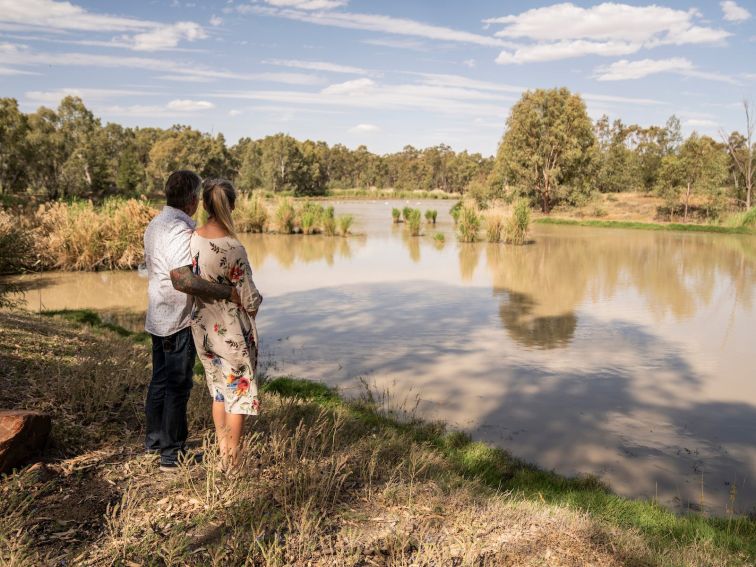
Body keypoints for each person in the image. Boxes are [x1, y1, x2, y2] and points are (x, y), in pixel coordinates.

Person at [143, 170, 240, 472]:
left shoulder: (158, 223)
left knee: (160, 381)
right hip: (175, 319)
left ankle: (156, 442)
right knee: (177, 385)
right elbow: (181, 279)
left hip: (159, 316)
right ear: (193, 199)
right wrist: (226, 291)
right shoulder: (176, 230)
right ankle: (171, 455)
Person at [191, 178, 262, 471]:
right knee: (240, 395)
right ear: (231, 205)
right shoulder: (233, 247)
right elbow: (250, 298)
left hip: (203, 326)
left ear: (204, 204)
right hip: (231, 330)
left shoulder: (192, 238)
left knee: (219, 389)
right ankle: (233, 463)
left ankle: (223, 453)